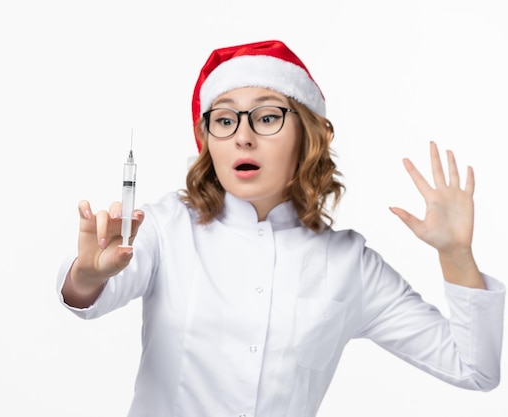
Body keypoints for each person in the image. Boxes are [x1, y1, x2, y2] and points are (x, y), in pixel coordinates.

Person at [56, 40, 505, 417]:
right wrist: (89, 275)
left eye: (267, 117)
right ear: (209, 139)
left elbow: (474, 369)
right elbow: (85, 297)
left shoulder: (349, 264)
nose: (242, 136)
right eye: (225, 119)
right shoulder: (166, 226)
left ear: (307, 138)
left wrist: (456, 256)